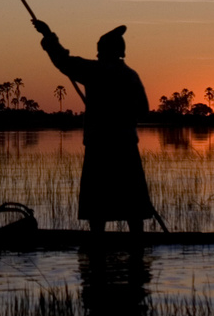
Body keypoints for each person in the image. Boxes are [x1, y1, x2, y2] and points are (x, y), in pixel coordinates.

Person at [33, 20, 154, 233]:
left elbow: (63, 61)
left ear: (109, 51)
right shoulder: (130, 75)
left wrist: (48, 34)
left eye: (100, 50)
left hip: (101, 146)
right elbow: (143, 111)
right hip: (125, 145)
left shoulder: (95, 71)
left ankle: (97, 244)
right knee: (132, 204)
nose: (97, 54)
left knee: (98, 204)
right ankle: (137, 243)